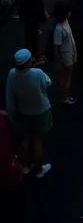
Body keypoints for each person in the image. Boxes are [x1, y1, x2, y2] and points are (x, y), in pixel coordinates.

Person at [5, 49, 52, 178]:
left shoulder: (12, 74)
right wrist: (37, 68)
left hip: (23, 111)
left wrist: (11, 114)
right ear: (28, 62)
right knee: (37, 140)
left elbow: (9, 96)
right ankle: (39, 169)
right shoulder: (38, 73)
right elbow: (48, 82)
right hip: (40, 111)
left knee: (26, 138)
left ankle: (24, 165)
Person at [0, 109, 37, 223]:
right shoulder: (3, 119)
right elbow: (20, 142)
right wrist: (20, 163)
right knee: (18, 212)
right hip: (9, 176)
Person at [52, 1, 77, 105]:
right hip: (65, 56)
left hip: (70, 53)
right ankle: (65, 97)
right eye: (68, 11)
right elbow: (55, 48)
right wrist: (59, 62)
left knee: (67, 76)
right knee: (65, 77)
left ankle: (65, 95)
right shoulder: (59, 29)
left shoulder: (64, 22)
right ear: (65, 14)